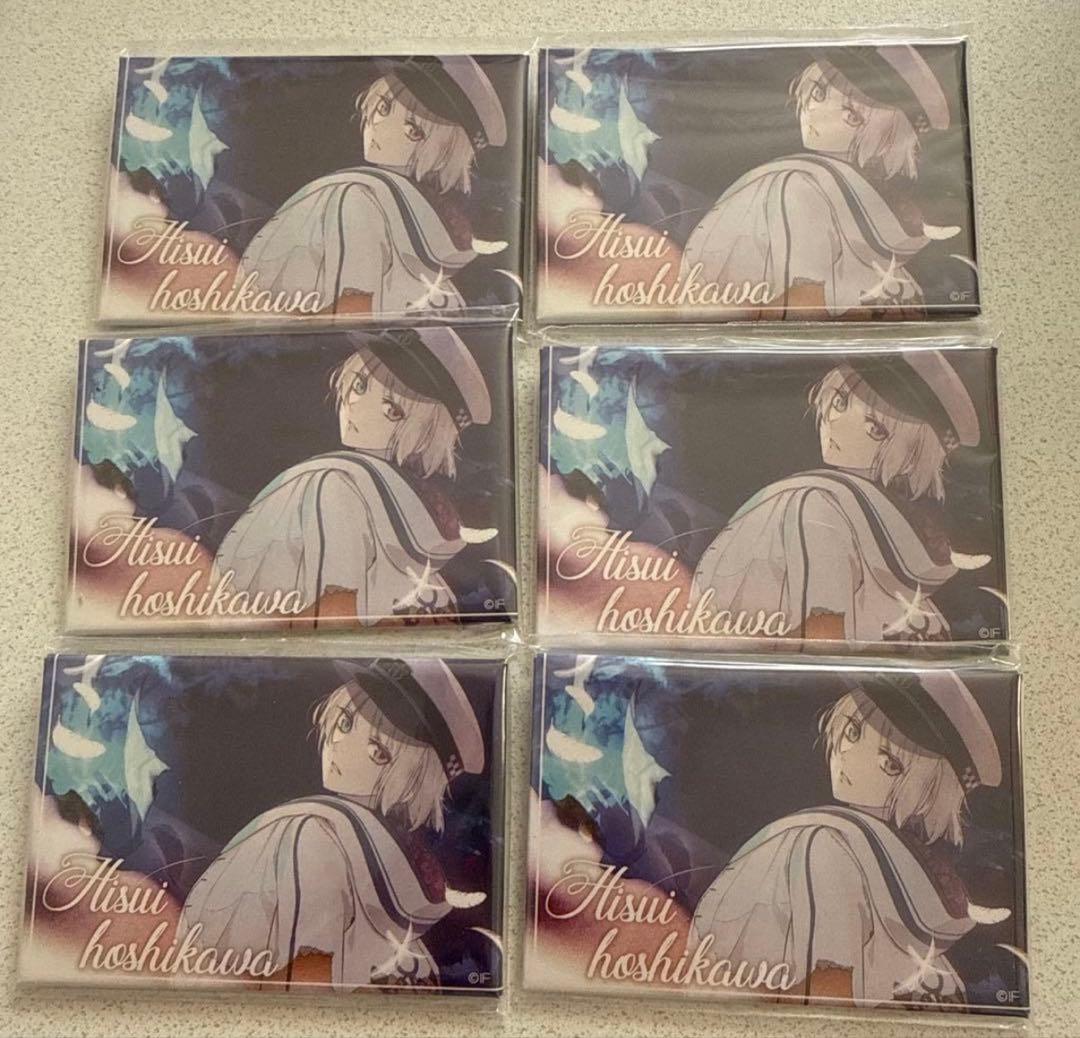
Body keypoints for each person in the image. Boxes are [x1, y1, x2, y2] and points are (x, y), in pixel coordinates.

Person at [692, 671, 1006, 1007]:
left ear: (930, 792)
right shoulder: (911, 869)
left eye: (889, 763)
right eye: (853, 732)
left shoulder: (823, 842)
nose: (850, 756)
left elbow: (827, 988)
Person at [178, 657, 485, 989]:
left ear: (413, 783)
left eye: (377, 751)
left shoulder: (311, 832)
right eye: (346, 722)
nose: (340, 743)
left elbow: (291, 980)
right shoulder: (405, 868)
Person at [691, 350, 985, 642]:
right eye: (841, 402)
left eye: (874, 428)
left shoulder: (817, 505)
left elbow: (822, 635)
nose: (836, 421)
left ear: (911, 460)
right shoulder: (899, 532)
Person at [213, 325, 492, 623]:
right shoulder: (417, 502)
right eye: (360, 385)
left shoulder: (333, 482)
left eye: (391, 410)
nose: (358, 404)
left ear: (426, 435)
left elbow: (328, 612)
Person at [681, 45, 959, 318]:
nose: (818, 113)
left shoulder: (801, 186)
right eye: (819, 93)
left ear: (885, 140)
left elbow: (800, 309)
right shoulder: (818, 189)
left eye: (851, 115)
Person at [238, 56, 508, 316]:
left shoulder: (356, 195)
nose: (381, 125)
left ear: (443, 154)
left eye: (413, 130)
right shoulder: (431, 220)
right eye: (384, 108)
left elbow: (351, 309)